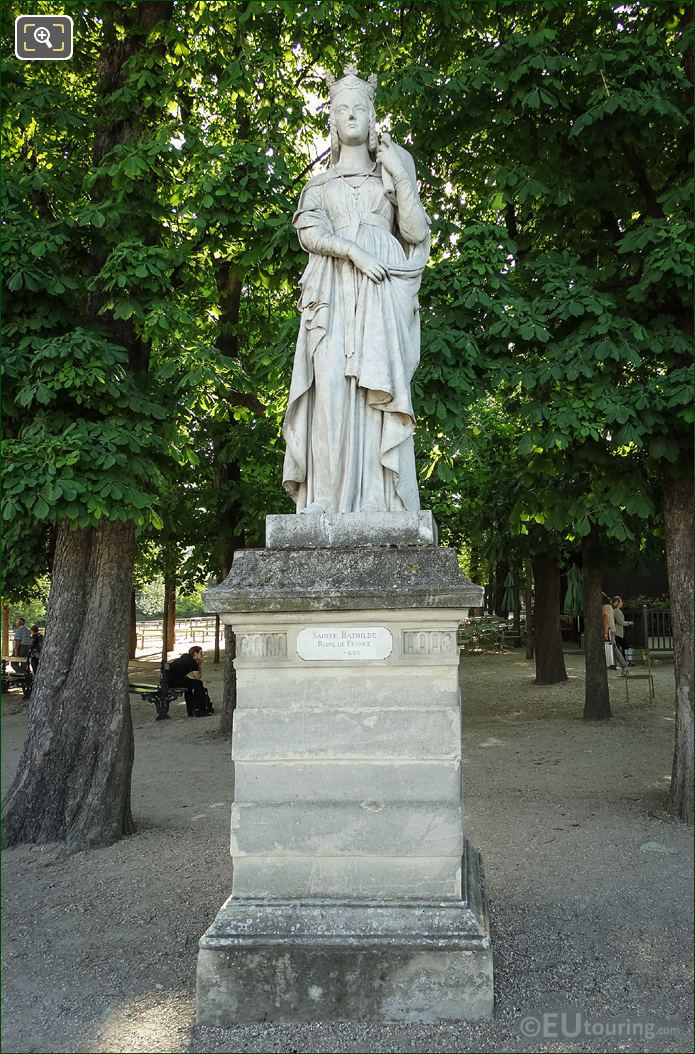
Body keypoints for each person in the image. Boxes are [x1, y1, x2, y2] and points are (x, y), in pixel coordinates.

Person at [282, 64, 430, 515]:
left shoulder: (390, 174)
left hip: (381, 293)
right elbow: (308, 231)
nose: (349, 115)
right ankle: (324, 496)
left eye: (358, 108)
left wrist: (400, 176)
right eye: (340, 109)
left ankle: (374, 497)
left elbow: (416, 231)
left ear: (371, 118)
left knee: (373, 393)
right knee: (328, 388)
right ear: (331, 120)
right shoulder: (319, 185)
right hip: (332, 291)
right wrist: (353, 252)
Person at [166, 646, 214, 717]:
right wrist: (199, 663)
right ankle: (199, 710)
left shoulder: (185, 656)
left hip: (168, 680)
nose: (202, 655)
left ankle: (191, 711)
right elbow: (198, 677)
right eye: (200, 653)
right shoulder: (193, 662)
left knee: (189, 685)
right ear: (195, 653)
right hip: (172, 682)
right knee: (198, 684)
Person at [602, 593, 628, 676]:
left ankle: (624, 666)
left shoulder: (605, 607)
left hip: (608, 630)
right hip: (611, 630)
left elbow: (606, 619)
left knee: (614, 648)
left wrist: (605, 633)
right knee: (614, 648)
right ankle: (623, 666)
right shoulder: (609, 607)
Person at [612, 596, 634, 666]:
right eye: (620, 601)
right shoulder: (616, 611)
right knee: (625, 646)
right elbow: (620, 622)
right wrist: (628, 623)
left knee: (622, 647)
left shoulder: (618, 611)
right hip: (617, 633)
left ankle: (625, 662)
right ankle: (625, 662)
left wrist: (627, 622)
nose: (622, 603)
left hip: (619, 632)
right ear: (617, 603)